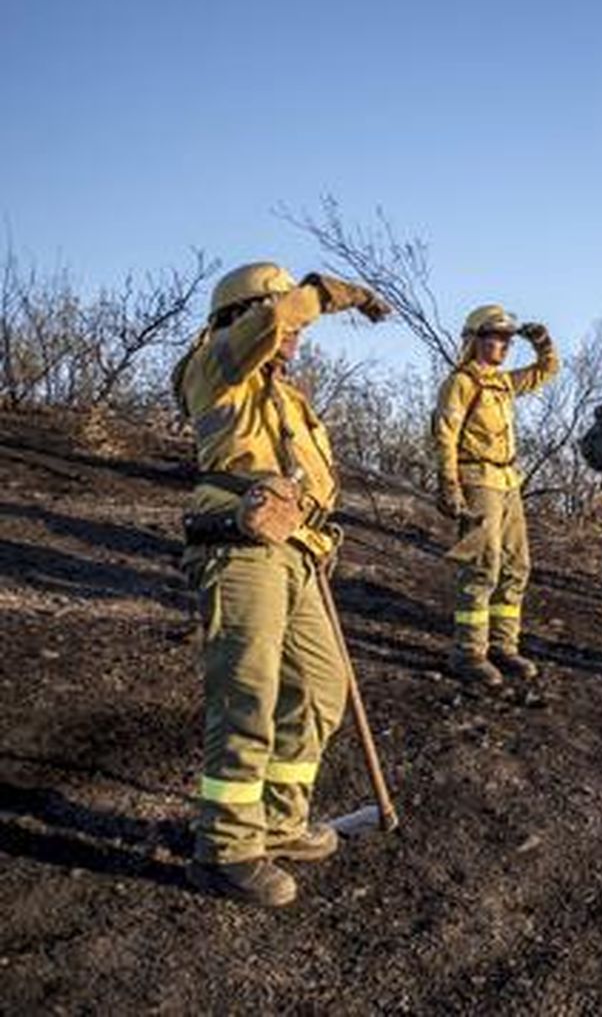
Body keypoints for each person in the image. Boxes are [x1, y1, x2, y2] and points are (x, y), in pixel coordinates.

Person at [172, 260, 389, 907]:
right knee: (249, 693)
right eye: (281, 311)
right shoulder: (216, 366)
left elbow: (314, 483)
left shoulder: (290, 398)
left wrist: (317, 536)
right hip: (239, 549)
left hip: (299, 555)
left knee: (323, 686)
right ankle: (227, 849)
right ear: (241, 315)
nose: (296, 329)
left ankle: (279, 822)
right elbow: (277, 319)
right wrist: (325, 294)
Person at [433, 305, 559, 686]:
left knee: (516, 565)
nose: (502, 345)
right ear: (474, 340)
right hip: (477, 480)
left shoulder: (502, 383)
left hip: (508, 483)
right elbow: (445, 435)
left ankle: (504, 646)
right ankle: (468, 652)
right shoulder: (461, 382)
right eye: (494, 337)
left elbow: (545, 372)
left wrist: (542, 343)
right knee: (482, 566)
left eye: (506, 339)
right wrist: (449, 483)